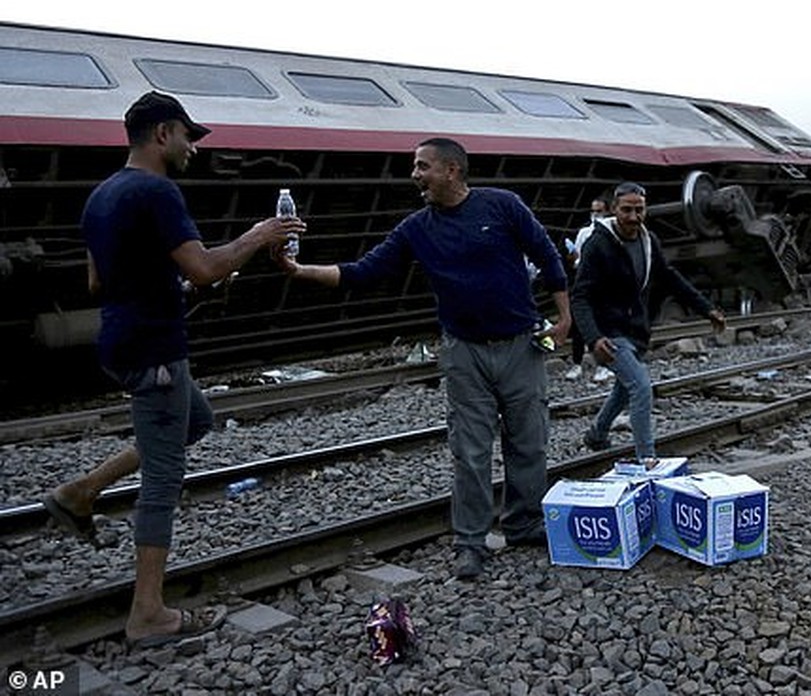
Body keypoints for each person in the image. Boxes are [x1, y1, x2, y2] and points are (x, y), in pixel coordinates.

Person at [43, 92, 304, 646]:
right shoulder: (158, 191)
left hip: (121, 337)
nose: (192, 147)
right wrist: (258, 236)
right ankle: (148, 614)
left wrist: (171, 283)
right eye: (188, 136)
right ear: (163, 134)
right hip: (154, 349)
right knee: (164, 479)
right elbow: (208, 268)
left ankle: (81, 492)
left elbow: (99, 281)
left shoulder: (102, 195)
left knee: (193, 423)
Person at [283, 138, 570, 580]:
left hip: (521, 345)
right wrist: (300, 272)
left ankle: (524, 523)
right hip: (464, 352)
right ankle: (470, 543)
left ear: (452, 170)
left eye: (422, 166)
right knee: (470, 452)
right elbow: (364, 271)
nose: (415, 175)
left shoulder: (502, 206)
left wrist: (565, 317)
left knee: (529, 441)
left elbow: (546, 254)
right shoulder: (417, 228)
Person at [571, 181, 726, 460]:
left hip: (636, 330)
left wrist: (707, 309)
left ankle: (596, 434)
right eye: (626, 210)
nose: (633, 217)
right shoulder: (598, 245)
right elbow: (579, 297)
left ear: (646, 210)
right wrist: (593, 338)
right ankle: (647, 459)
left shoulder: (648, 241)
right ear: (614, 210)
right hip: (609, 332)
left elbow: (669, 277)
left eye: (639, 210)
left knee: (624, 387)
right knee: (641, 387)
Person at [563, 196, 611, 381]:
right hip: (585, 283)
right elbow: (577, 259)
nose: (595, 215)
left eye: (599, 211)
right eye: (593, 211)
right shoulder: (585, 232)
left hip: (604, 284)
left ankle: (603, 366)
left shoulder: (610, 232)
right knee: (579, 326)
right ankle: (577, 364)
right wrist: (573, 258)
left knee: (600, 325)